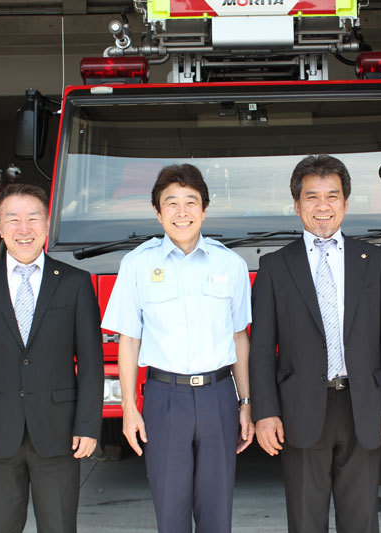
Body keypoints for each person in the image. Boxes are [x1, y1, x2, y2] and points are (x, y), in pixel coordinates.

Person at [249, 154, 381, 533]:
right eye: (312, 197)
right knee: (306, 521)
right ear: (296, 205)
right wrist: (265, 412)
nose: (323, 206)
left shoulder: (376, 261)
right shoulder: (275, 266)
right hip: (300, 408)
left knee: (361, 520)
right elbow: (262, 350)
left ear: (346, 203)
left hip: (363, 406)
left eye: (332, 196)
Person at [102, 163, 254, 533]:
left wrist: (246, 403)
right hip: (164, 399)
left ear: (204, 209)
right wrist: (129, 408)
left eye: (191, 202)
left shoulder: (230, 264)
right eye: (171, 203)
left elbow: (239, 337)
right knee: (171, 511)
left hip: (219, 396)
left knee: (217, 512)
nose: (181, 212)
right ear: (157, 212)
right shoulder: (137, 265)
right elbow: (129, 340)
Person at [0, 183, 103, 533]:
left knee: (59, 527)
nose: (24, 229)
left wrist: (87, 425)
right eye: (13, 219)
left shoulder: (75, 283)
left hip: (59, 433)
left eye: (33, 218)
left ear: (47, 224)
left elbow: (91, 363)